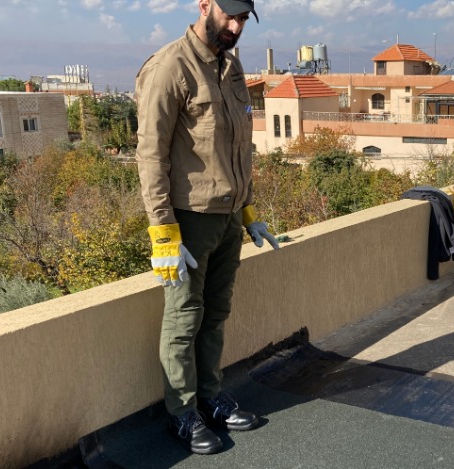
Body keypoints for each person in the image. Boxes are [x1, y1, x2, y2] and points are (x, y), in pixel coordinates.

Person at [135, 0, 279, 455]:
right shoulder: (169, 68)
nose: (235, 26)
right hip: (188, 221)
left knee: (215, 315)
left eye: (243, 19)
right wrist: (162, 233)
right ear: (204, 6)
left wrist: (249, 212)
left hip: (229, 216)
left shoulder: (231, 68)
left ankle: (210, 398)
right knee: (183, 319)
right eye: (229, 15)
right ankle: (182, 414)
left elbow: (240, 149)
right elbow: (150, 155)